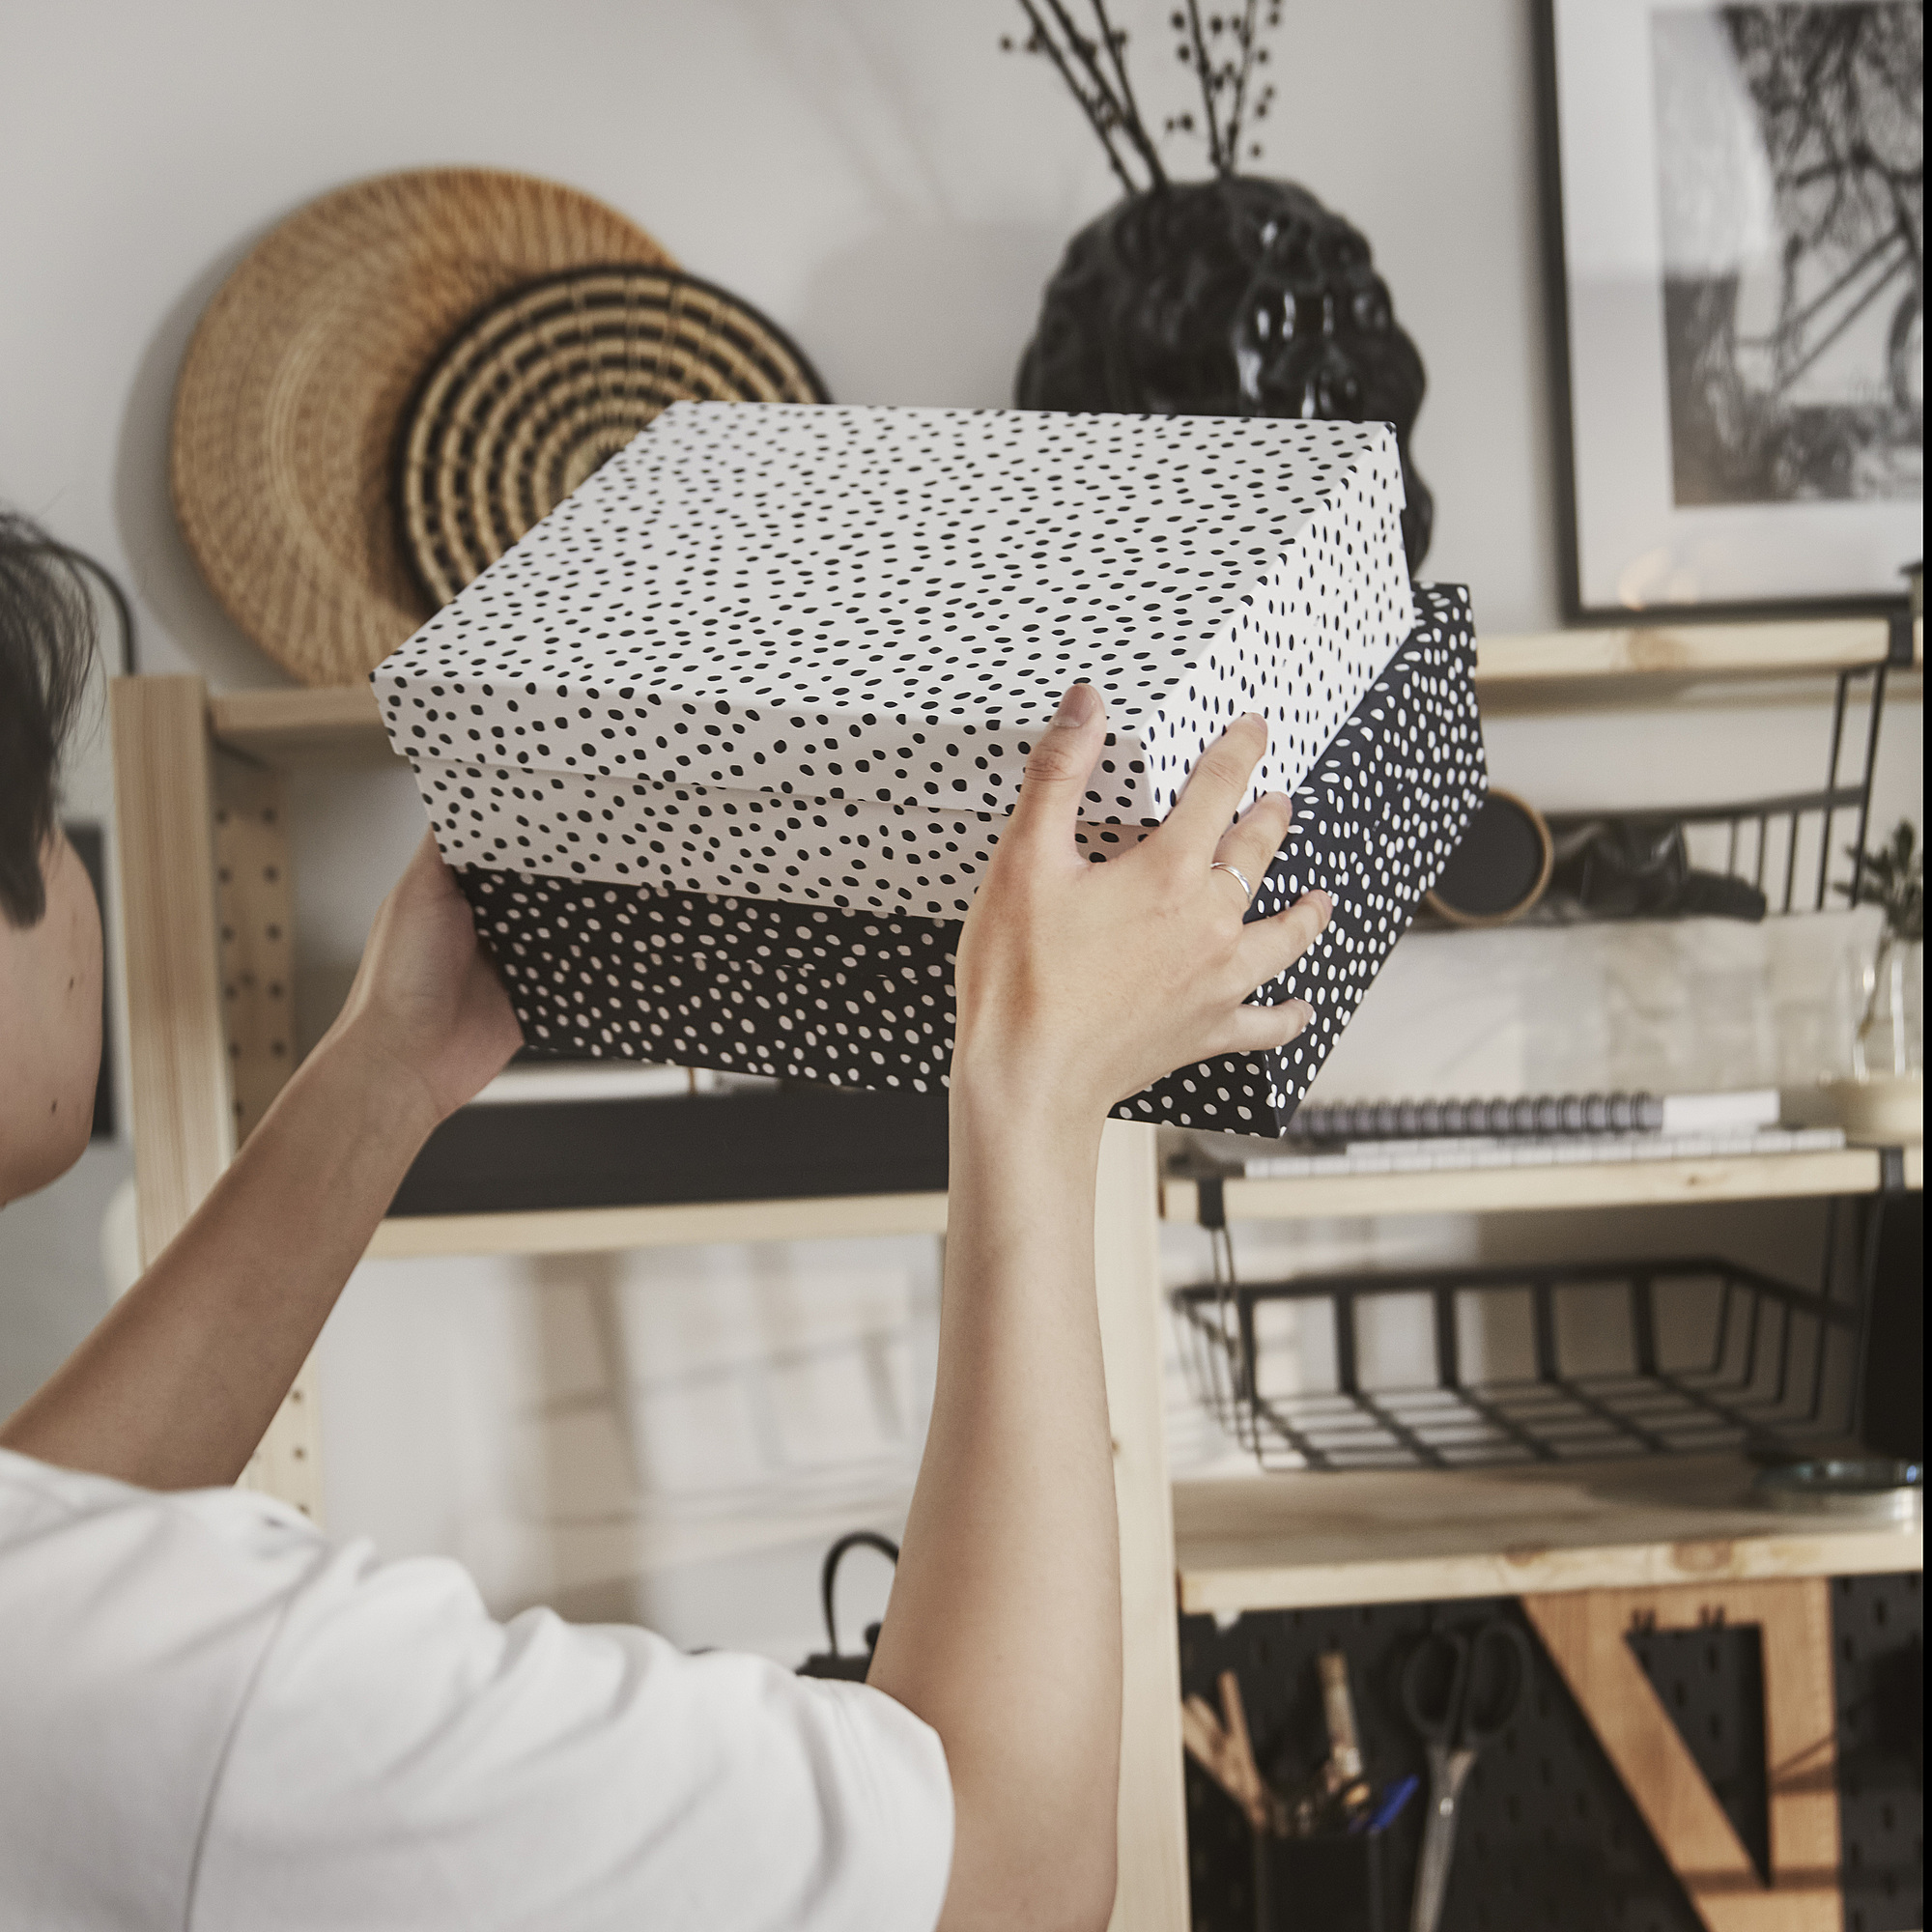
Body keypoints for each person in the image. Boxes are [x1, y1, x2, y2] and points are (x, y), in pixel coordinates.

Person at [0, 509, 1330, 1930]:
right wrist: (1038, 1091)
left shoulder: (82, 1652)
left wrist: (385, 1073)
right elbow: (1008, 1881)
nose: (74, 872)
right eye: (44, 821)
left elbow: (57, 1555)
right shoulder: (225, 1709)